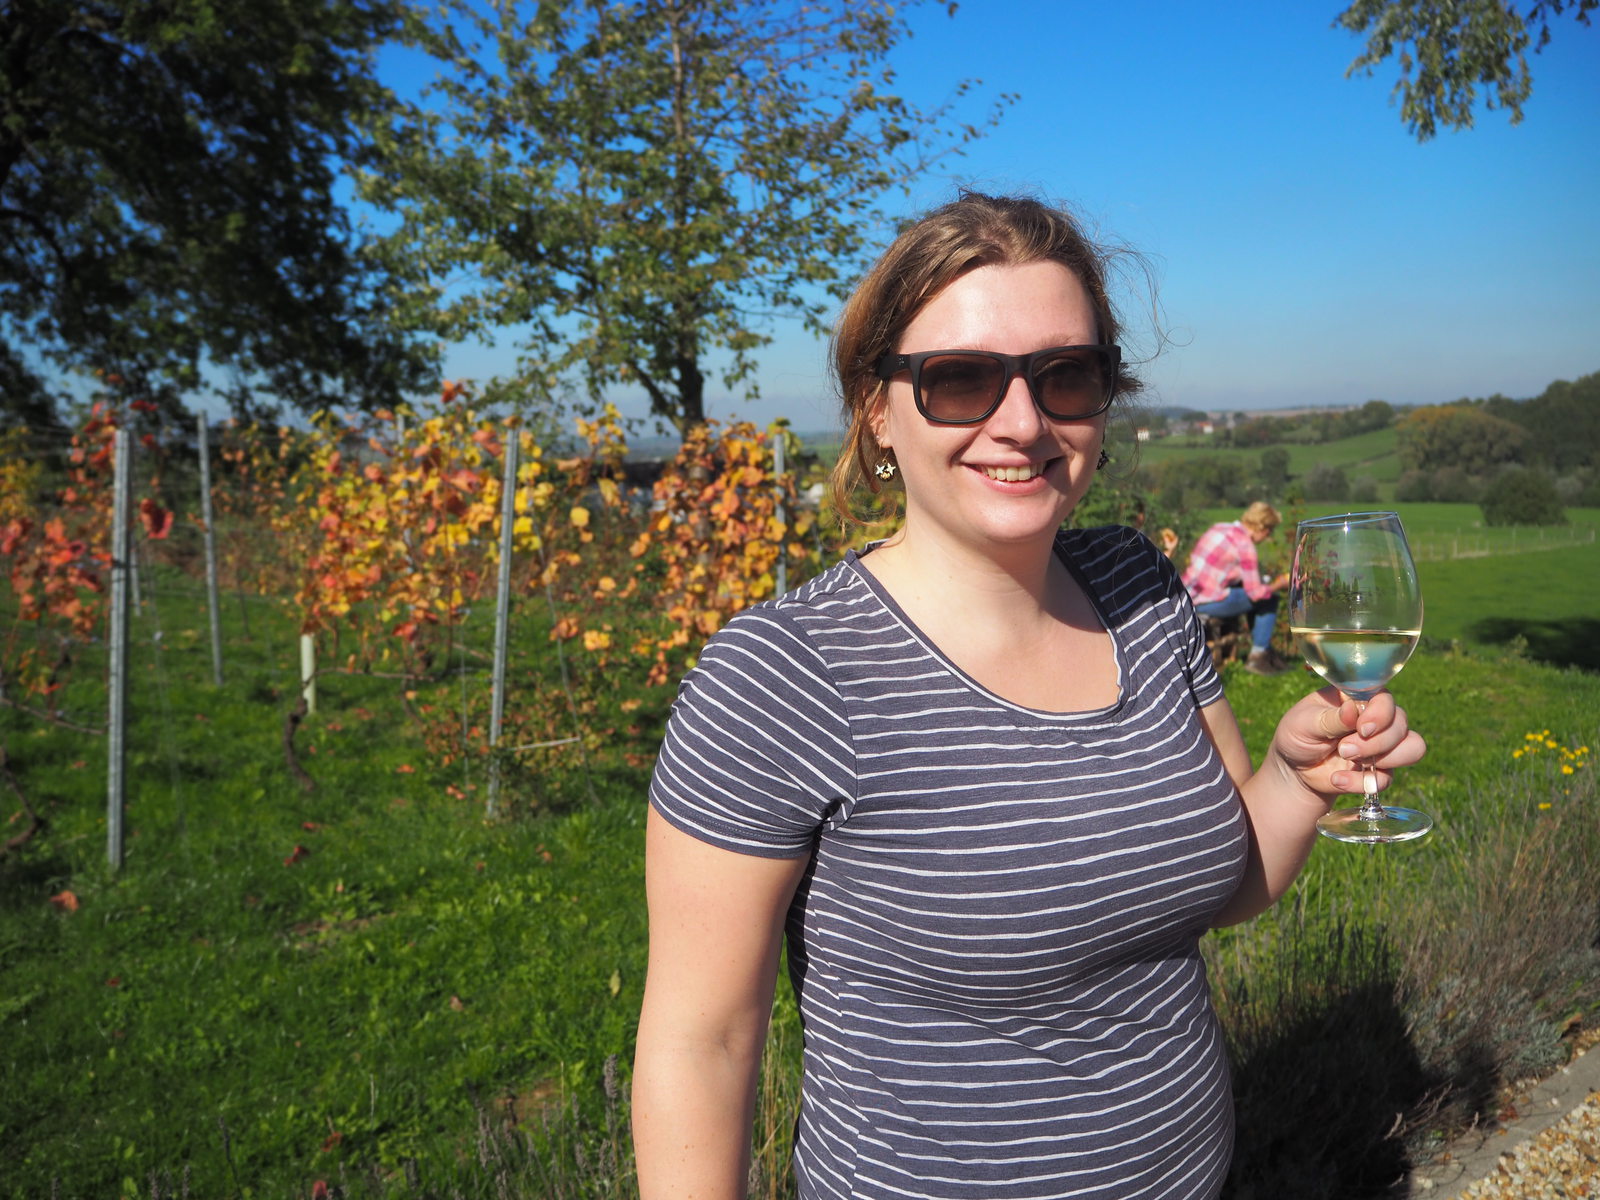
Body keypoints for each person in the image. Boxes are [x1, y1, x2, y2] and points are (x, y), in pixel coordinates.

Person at [632, 192, 1424, 1200]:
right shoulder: (784, 676)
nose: (1021, 423)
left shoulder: (1139, 589)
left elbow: (1226, 888)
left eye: (1065, 376)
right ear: (877, 410)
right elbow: (701, 1040)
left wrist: (1293, 779)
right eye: (958, 380)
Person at [1182, 501, 1292, 675]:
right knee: (1269, 598)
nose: (1268, 537)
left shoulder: (1220, 527)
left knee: (1254, 593)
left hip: (1187, 596)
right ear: (1263, 528)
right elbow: (1255, 593)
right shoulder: (1245, 545)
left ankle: (1263, 651)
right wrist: (1279, 584)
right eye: (1269, 532)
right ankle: (1259, 655)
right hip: (1207, 603)